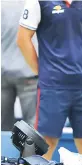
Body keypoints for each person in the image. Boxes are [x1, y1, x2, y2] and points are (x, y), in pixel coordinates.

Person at [17, 0, 82, 165]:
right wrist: (42, 71)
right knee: (45, 144)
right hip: (52, 86)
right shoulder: (38, 2)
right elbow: (23, 39)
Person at [1, 1, 38, 131]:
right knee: (32, 124)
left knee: (2, 124)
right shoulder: (37, 5)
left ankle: (3, 151)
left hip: (3, 72)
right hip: (29, 72)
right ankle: (31, 152)